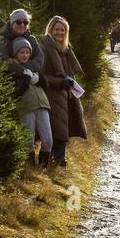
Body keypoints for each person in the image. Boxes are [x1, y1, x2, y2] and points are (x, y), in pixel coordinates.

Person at [40, 15, 87, 167]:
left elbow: (70, 72)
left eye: (63, 30)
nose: (60, 33)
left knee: (63, 129)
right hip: (52, 95)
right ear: (51, 30)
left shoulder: (65, 49)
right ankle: (55, 161)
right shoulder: (44, 48)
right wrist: (60, 82)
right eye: (57, 29)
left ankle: (57, 161)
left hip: (66, 95)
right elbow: (41, 75)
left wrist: (69, 84)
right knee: (57, 130)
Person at [7, 38, 53, 166]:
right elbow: (16, 93)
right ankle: (30, 166)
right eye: (22, 52)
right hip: (26, 108)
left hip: (43, 105)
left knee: (48, 139)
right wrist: (26, 79)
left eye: (27, 52)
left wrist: (39, 78)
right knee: (28, 140)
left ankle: (44, 166)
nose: (25, 55)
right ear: (15, 53)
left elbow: (46, 84)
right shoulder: (13, 70)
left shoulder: (33, 67)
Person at [0, 8, 44, 72]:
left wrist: (25, 68)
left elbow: (40, 59)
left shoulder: (31, 40)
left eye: (25, 22)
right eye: (18, 22)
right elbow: (3, 61)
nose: (22, 25)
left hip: (32, 75)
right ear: (12, 24)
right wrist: (23, 71)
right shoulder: (2, 40)